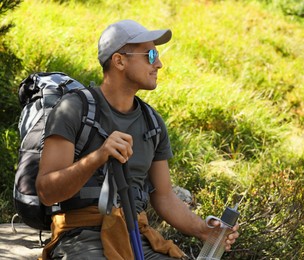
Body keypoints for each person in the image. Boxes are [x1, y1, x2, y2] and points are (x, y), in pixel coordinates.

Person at [36, 19, 239, 259]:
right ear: (119, 60)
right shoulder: (74, 109)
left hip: (138, 239)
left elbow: (163, 197)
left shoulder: (152, 123)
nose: (159, 64)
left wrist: (204, 230)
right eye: (150, 55)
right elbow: (47, 191)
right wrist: (98, 157)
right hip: (82, 238)